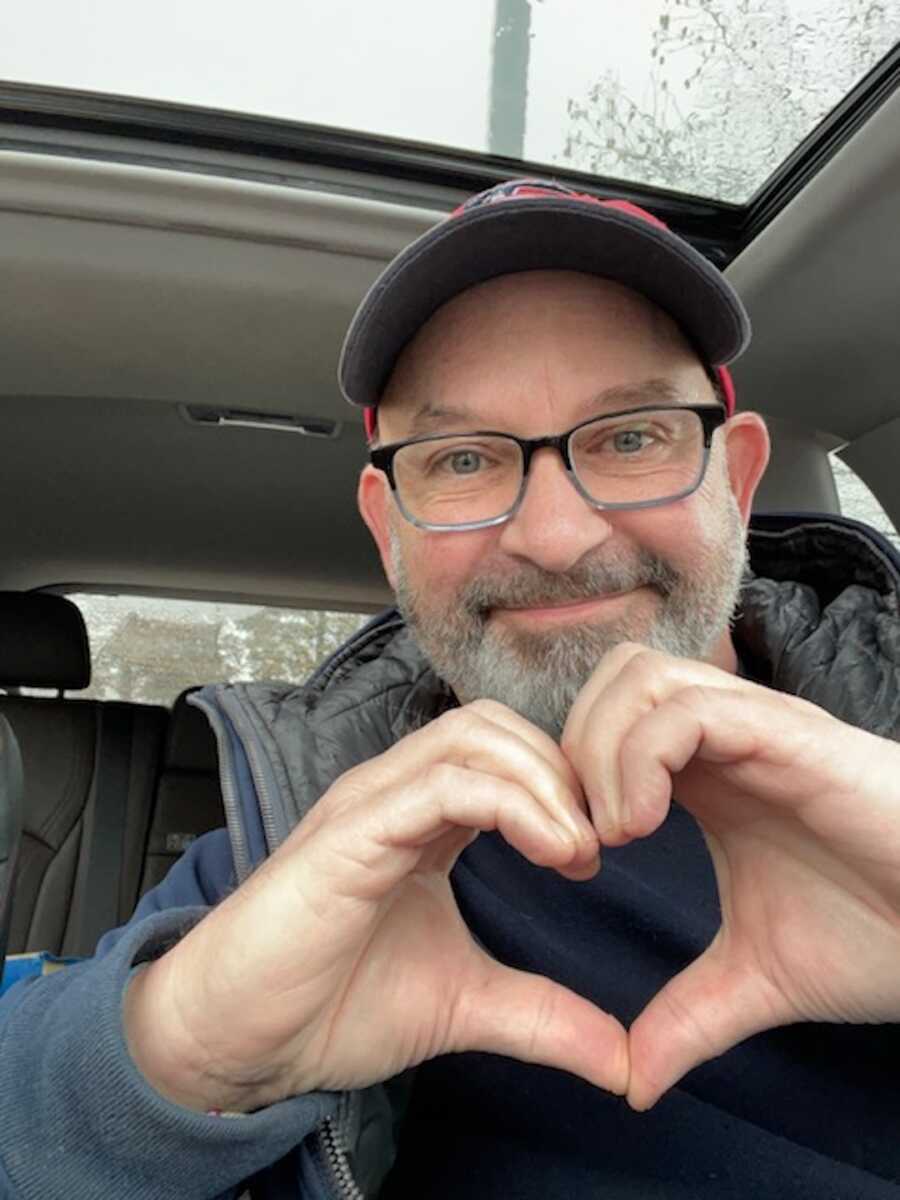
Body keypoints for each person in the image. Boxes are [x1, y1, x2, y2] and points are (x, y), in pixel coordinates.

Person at [1, 178, 899, 1199]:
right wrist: (179, 1049)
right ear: (390, 531)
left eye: (633, 436)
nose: (556, 539)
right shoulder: (292, 840)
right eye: (464, 458)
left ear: (734, 481)